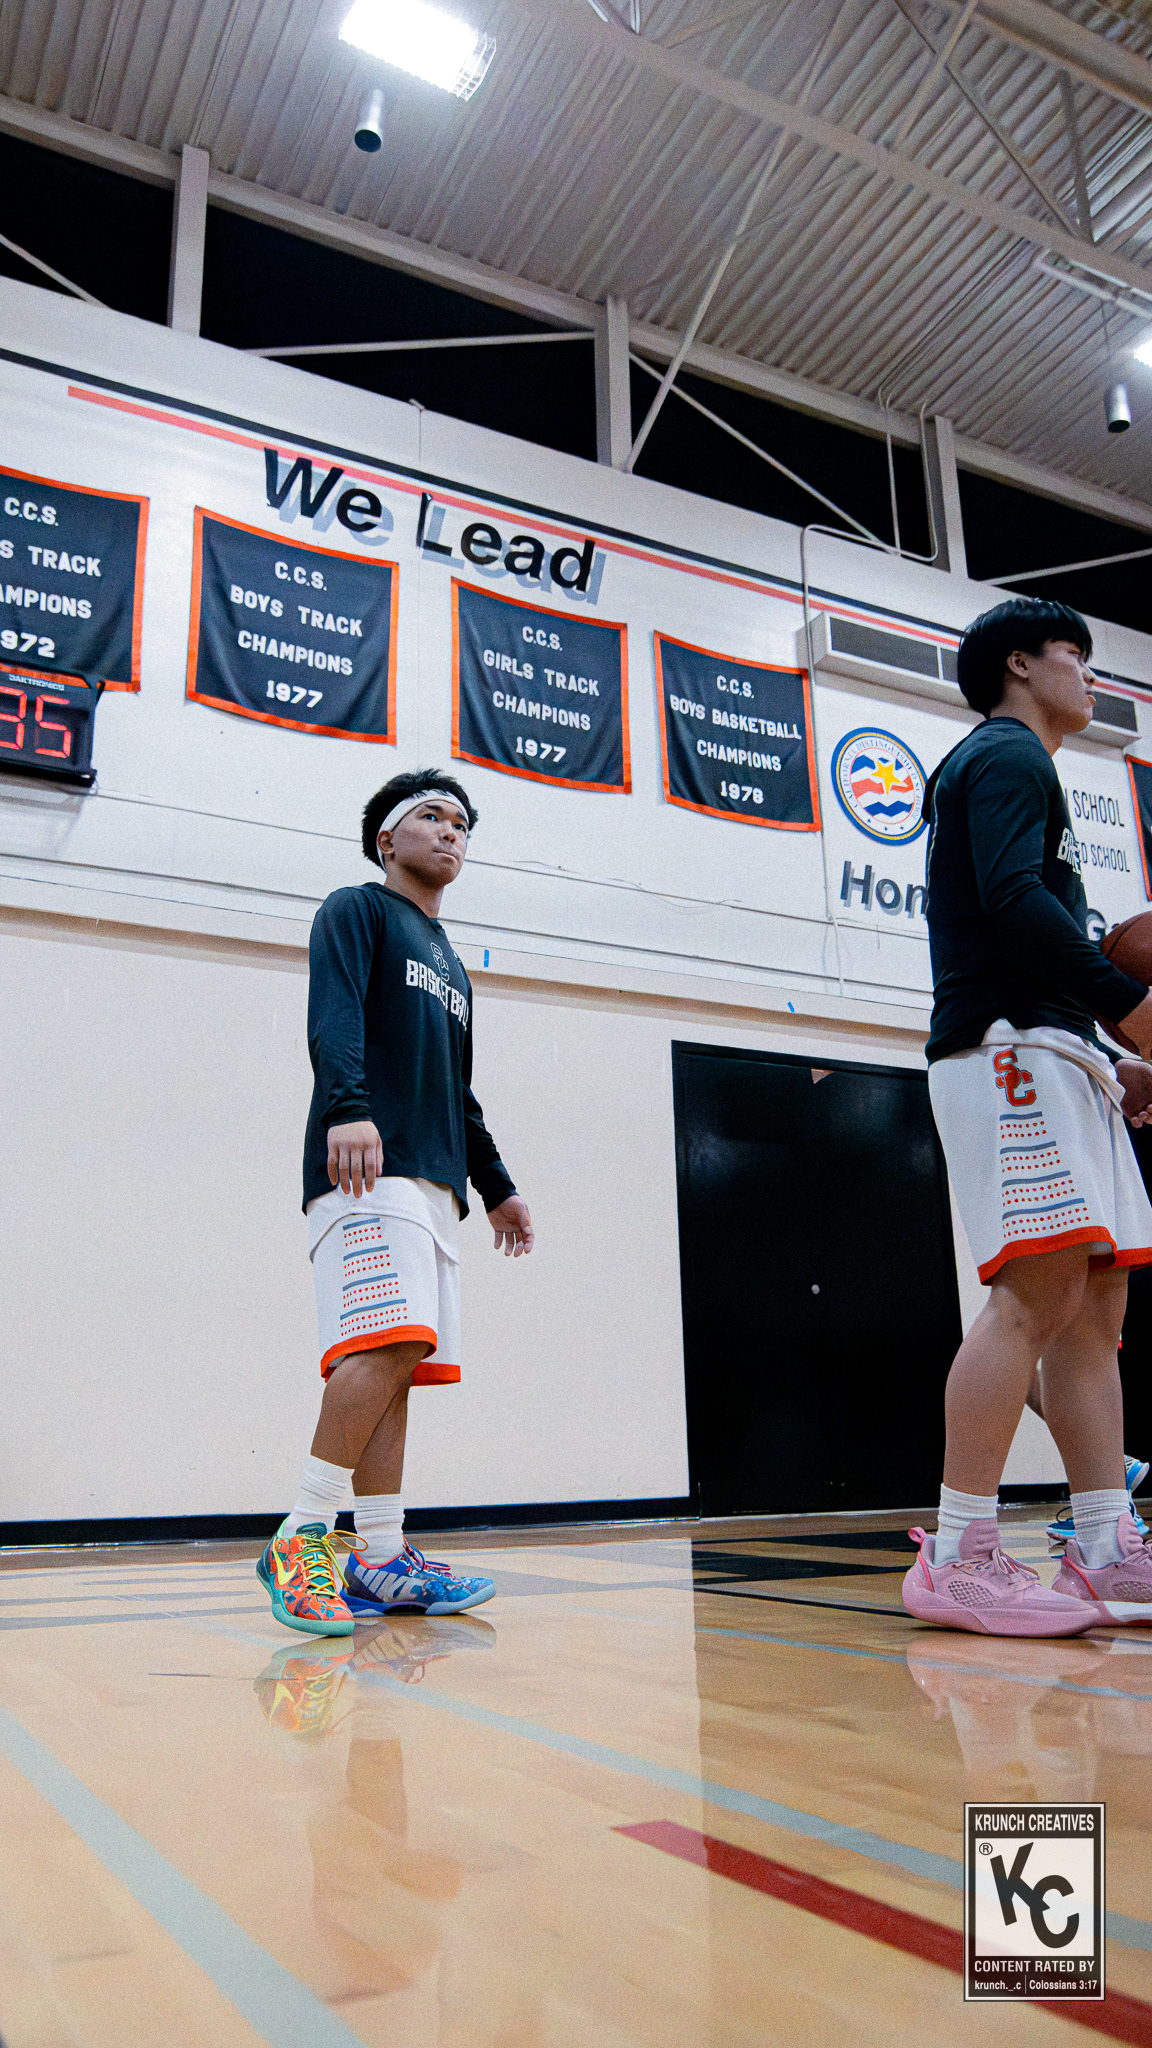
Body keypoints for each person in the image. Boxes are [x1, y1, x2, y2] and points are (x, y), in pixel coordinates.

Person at [902, 597, 1152, 1635]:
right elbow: (1011, 901)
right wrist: (1130, 1005)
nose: (1093, 677)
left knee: (1094, 1310)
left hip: (1056, 1046)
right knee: (1034, 1293)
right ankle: (960, 1550)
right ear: (1019, 663)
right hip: (1005, 1046)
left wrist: (1111, 1053)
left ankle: (1106, 1544)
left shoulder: (1023, 769)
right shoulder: (1004, 753)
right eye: (1075, 655)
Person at [258, 769, 533, 1637]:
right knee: (384, 1344)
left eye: (462, 825)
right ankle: (301, 1536)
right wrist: (347, 1107)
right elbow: (334, 1013)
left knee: (400, 1360)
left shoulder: (453, 964)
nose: (451, 832)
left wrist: (496, 1185)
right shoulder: (357, 910)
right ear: (387, 838)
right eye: (432, 817)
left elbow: (458, 1087)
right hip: (365, 1169)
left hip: (433, 1183)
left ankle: (379, 1554)